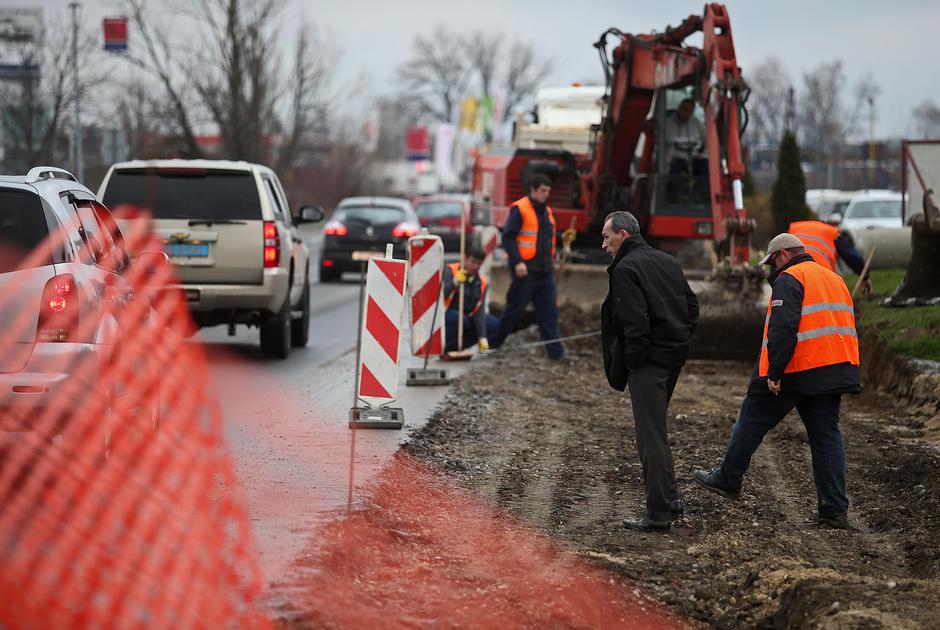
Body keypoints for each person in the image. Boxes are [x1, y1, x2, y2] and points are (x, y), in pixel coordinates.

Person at [693, 233, 860, 529]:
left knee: (752, 416)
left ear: (782, 255)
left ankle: (728, 479)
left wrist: (774, 372)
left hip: (797, 368)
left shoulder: (790, 277)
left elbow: (784, 327)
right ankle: (834, 509)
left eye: (772, 262)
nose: (772, 269)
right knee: (826, 437)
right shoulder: (834, 279)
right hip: (834, 369)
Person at [601, 211, 699, 532]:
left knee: (650, 435)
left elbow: (635, 323)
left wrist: (633, 362)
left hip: (648, 364)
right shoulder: (667, 261)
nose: (604, 245)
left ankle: (658, 514)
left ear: (623, 236)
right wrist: (679, 343)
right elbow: (692, 307)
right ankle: (670, 499)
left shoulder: (626, 269)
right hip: (672, 359)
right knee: (656, 428)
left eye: (607, 237)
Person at [489, 173, 564, 359]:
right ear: (533, 189)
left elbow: (544, 237)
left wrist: (563, 237)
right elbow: (507, 237)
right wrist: (517, 262)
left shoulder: (546, 211)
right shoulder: (520, 209)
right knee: (513, 311)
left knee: (549, 313)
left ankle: (556, 353)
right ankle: (492, 344)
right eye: (543, 190)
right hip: (526, 271)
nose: (546, 194)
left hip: (545, 271)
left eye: (548, 191)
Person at [789, 219, 872, 294]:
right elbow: (852, 257)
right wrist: (865, 276)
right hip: (821, 274)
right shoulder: (831, 232)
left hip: (793, 272)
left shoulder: (794, 228)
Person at [441, 246, 498, 352]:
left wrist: (482, 336)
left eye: (479, 264)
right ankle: (446, 347)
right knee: (458, 319)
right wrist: (454, 283)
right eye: (473, 262)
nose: (475, 266)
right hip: (447, 318)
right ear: (465, 258)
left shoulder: (482, 283)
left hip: (466, 318)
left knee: (493, 324)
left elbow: (479, 311)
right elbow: (438, 297)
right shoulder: (450, 271)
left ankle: (460, 347)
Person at [664, 98, 708, 179]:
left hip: (694, 157)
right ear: (679, 108)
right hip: (674, 158)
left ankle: (703, 191)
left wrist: (702, 154)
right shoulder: (667, 124)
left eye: (690, 111)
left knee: (704, 165)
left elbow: (707, 141)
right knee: (674, 169)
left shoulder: (697, 124)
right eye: (685, 110)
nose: (686, 114)